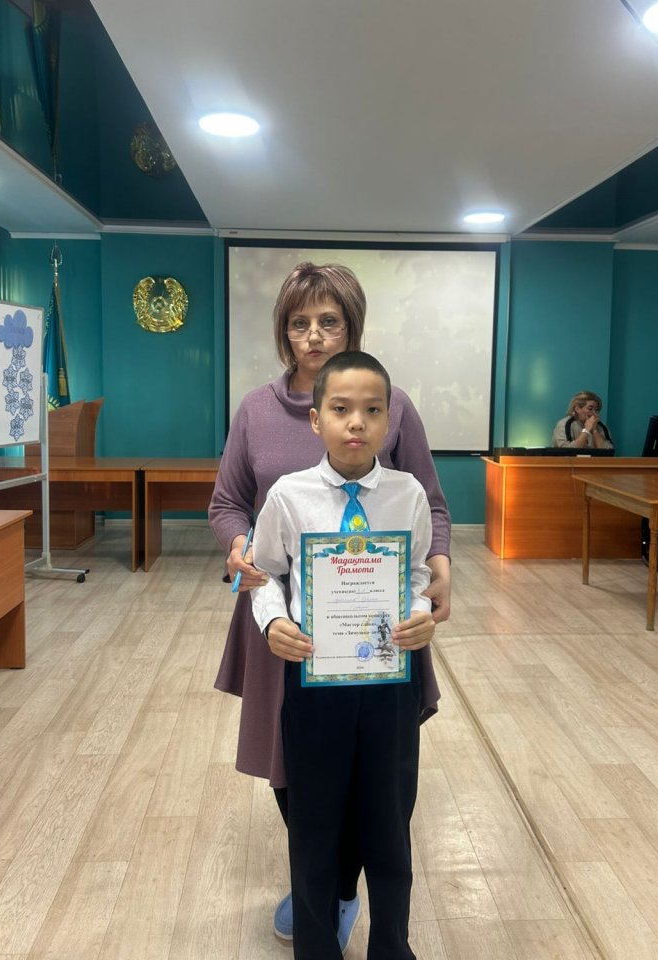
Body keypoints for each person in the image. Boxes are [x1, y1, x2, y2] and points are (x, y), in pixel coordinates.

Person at [208, 261, 451, 944]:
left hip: (375, 630)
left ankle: (342, 886)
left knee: (378, 777)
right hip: (282, 620)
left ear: (351, 326)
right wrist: (239, 549)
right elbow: (227, 504)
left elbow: (427, 504)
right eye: (299, 322)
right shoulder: (256, 410)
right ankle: (323, 877)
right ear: (284, 332)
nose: (313, 335)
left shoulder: (392, 404)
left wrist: (439, 571)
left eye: (329, 321)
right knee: (293, 766)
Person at [250, 350, 435, 960]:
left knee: (389, 823)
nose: (357, 422)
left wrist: (421, 611)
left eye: (373, 410)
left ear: (389, 421)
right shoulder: (289, 495)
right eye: (341, 409)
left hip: (389, 683)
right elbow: (264, 572)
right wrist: (274, 620)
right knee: (314, 827)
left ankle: (392, 946)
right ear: (316, 419)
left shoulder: (408, 494)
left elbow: (415, 573)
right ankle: (316, 948)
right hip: (314, 683)